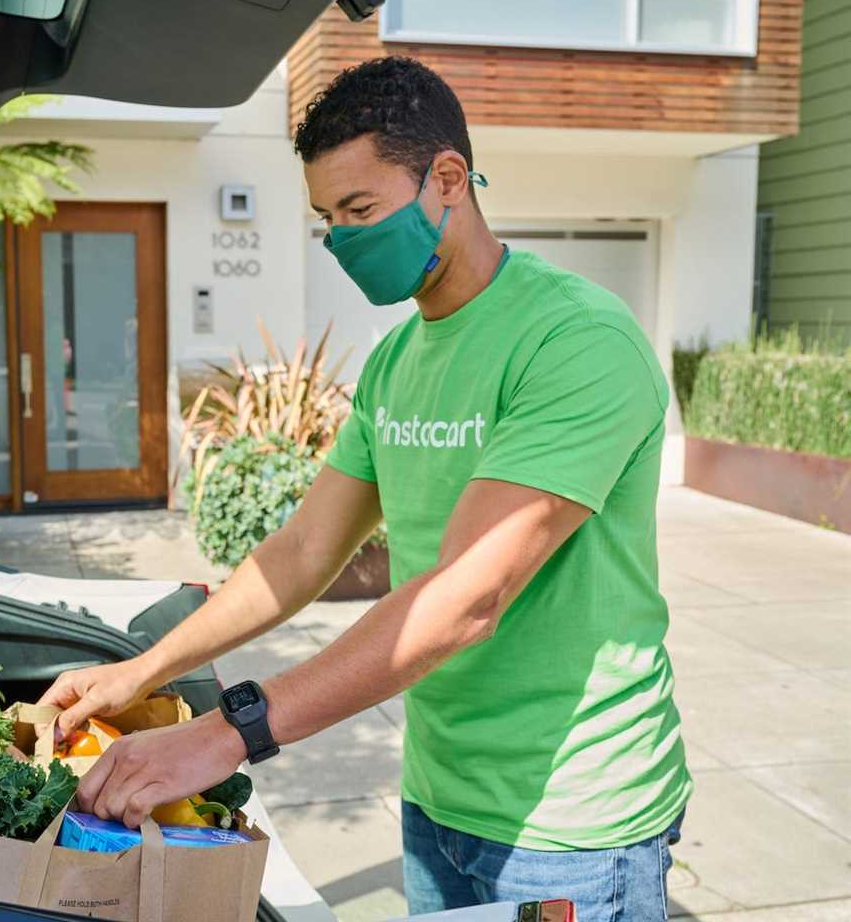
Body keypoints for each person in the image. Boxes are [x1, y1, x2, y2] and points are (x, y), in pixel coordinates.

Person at [37, 56, 691, 921]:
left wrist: (228, 731)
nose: (341, 240)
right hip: (438, 797)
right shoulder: (395, 364)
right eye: (326, 218)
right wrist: (142, 671)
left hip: (571, 823)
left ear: (446, 179)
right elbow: (304, 551)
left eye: (359, 210)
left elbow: (468, 596)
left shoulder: (575, 340)